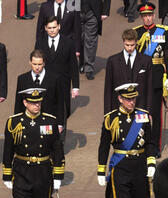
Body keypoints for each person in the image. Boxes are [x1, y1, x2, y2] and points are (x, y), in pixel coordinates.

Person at [2, 88, 65, 198]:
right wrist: (7, 174)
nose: (36, 105)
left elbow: (57, 150)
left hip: (43, 173)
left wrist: (58, 174)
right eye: (32, 102)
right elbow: (7, 150)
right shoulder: (13, 122)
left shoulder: (50, 122)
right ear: (25, 103)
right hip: (22, 172)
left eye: (38, 102)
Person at [97, 83, 157, 198]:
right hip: (120, 166)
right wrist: (101, 170)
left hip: (139, 165)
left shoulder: (143, 117)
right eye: (128, 99)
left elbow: (150, 142)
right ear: (120, 99)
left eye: (133, 98)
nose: (131, 102)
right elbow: (103, 146)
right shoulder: (110, 119)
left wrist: (151, 161)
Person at [134, 2, 168, 158]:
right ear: (141, 17)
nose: (148, 18)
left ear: (154, 15)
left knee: (156, 114)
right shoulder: (136, 32)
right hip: (142, 77)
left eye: (150, 15)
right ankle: (142, 143)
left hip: (157, 75)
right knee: (141, 112)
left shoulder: (163, 31)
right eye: (145, 16)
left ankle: (155, 146)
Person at [35, 15, 80, 143]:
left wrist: (75, 86)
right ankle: (47, 144)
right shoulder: (40, 43)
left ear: (59, 27)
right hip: (45, 87)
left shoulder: (68, 43)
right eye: (49, 28)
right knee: (45, 115)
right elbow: (36, 64)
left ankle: (59, 145)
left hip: (63, 87)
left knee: (62, 115)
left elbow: (73, 65)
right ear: (45, 28)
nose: (52, 30)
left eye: (54, 27)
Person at [14, 50, 65, 132]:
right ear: (30, 62)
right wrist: (16, 122)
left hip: (48, 122)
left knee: (47, 144)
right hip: (28, 122)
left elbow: (60, 103)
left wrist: (60, 123)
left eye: (39, 64)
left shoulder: (55, 79)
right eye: (34, 64)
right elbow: (18, 103)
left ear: (44, 63)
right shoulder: (22, 79)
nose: (37, 67)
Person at [104, 29, 153, 114]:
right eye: (127, 45)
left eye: (132, 45)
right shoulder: (112, 61)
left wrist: (149, 110)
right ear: (123, 42)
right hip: (118, 108)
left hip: (140, 108)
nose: (130, 48)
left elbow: (149, 88)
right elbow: (108, 89)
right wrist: (107, 113)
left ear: (136, 42)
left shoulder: (146, 60)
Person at [79, 0, 111, 80]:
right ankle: (82, 61)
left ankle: (88, 68)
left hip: (93, 12)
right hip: (76, 10)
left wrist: (105, 11)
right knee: (79, 39)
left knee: (90, 41)